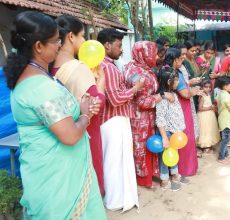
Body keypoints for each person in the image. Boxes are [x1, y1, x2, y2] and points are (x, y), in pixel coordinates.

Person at [5, 11, 106, 219]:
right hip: (59, 183)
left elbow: (54, 113)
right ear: (39, 46)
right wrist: (85, 114)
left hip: (55, 175)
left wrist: (76, 106)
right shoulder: (39, 87)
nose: (59, 45)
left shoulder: (35, 77)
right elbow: (69, 135)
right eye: (55, 41)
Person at [53, 15, 106, 196]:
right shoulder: (78, 68)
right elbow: (96, 105)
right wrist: (101, 82)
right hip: (86, 132)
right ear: (70, 37)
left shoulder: (48, 69)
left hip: (62, 132)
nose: (84, 41)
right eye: (82, 36)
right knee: (90, 180)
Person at [98, 29, 142, 210]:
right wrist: (135, 89)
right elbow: (115, 99)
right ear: (107, 45)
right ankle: (115, 200)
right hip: (113, 120)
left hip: (115, 120)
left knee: (117, 161)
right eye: (118, 45)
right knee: (114, 162)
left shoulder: (109, 65)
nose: (121, 50)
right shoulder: (107, 67)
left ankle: (119, 198)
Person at [125, 41, 175, 189]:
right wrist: (163, 95)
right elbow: (143, 101)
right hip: (140, 118)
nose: (155, 56)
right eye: (151, 53)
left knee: (149, 145)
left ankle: (151, 173)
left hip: (149, 116)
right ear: (142, 54)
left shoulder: (143, 67)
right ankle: (143, 179)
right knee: (141, 147)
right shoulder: (136, 72)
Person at [164, 47, 200, 178]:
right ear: (175, 60)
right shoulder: (175, 73)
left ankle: (174, 170)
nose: (182, 60)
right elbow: (185, 94)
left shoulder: (164, 70)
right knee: (185, 136)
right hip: (181, 108)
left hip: (169, 108)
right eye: (180, 58)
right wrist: (194, 91)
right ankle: (186, 168)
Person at [155, 66, 186, 191]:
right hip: (166, 132)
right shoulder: (161, 99)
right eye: (176, 80)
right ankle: (164, 179)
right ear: (169, 81)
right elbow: (160, 119)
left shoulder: (172, 94)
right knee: (165, 157)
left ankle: (174, 175)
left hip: (174, 131)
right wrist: (164, 138)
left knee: (174, 154)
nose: (178, 82)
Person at [197, 79, 220, 154]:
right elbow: (200, 108)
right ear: (202, 87)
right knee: (205, 130)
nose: (208, 88)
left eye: (209, 87)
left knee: (210, 129)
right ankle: (205, 147)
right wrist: (209, 108)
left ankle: (208, 145)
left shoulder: (208, 94)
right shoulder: (202, 96)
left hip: (209, 115)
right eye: (206, 87)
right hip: (204, 116)